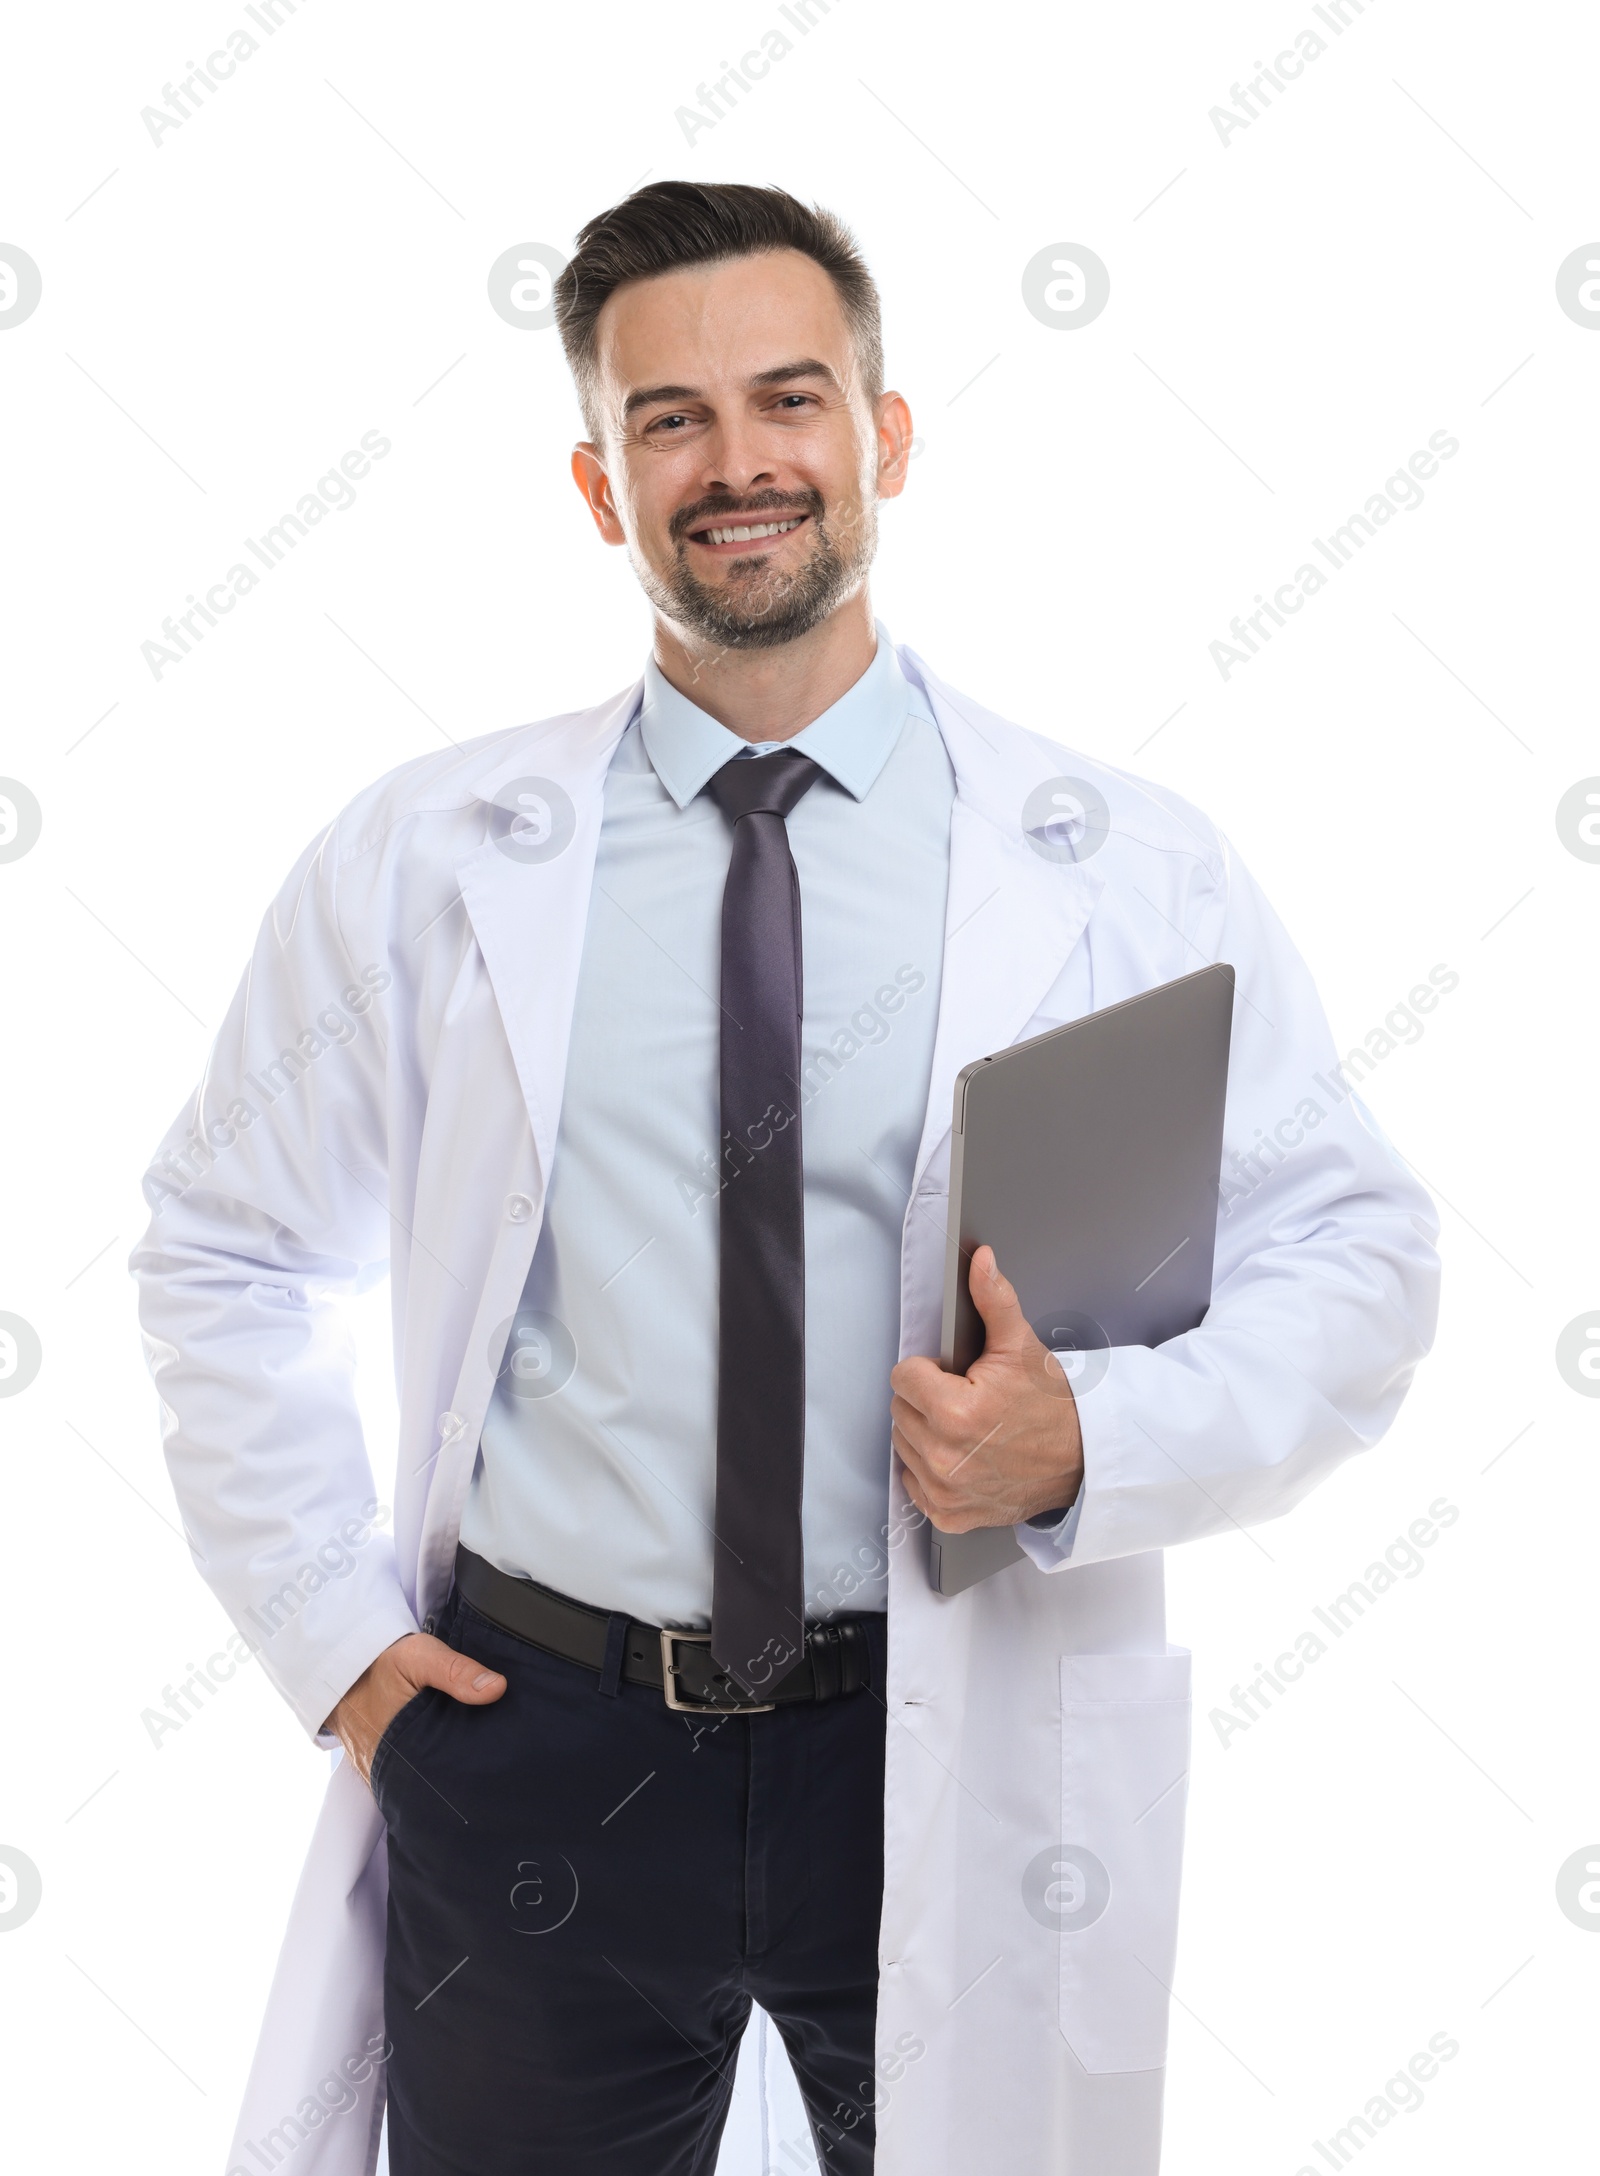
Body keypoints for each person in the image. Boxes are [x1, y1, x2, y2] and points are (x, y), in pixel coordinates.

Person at [132, 180, 1441, 2176]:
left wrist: (1082, 1435)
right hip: (534, 1740)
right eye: (669, 420)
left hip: (935, 1730)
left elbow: (1350, 1254)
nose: (737, 463)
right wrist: (340, 1647)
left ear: (881, 437)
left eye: (788, 399)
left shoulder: (1120, 862)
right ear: (598, 483)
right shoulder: (424, 856)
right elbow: (221, 1245)